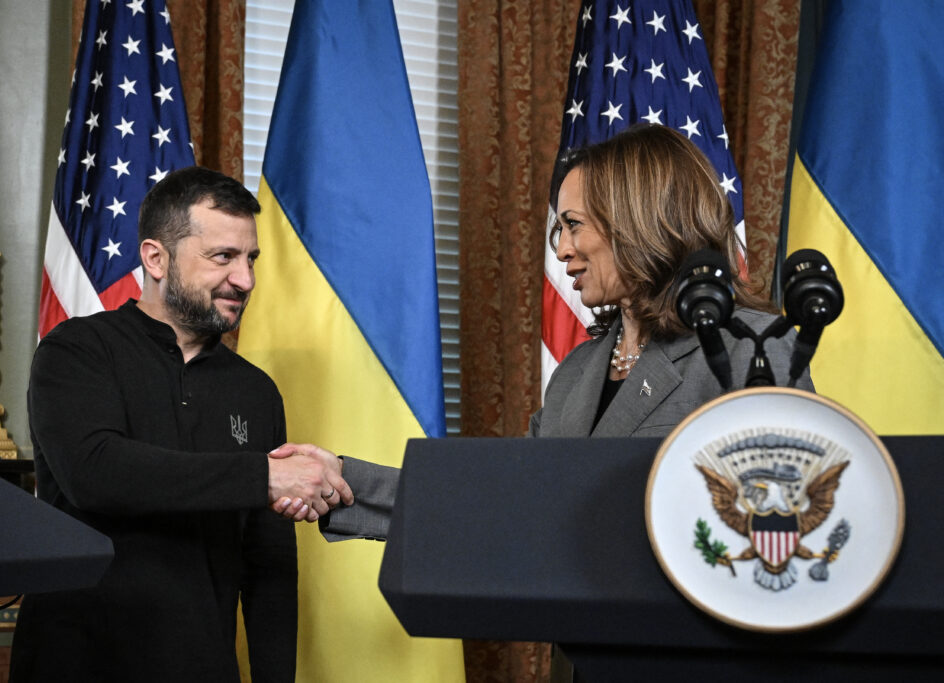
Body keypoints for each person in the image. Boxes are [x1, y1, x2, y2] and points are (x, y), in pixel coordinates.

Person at [277, 123, 814, 538]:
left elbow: (791, 518)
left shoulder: (750, 348)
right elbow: (507, 499)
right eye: (558, 229)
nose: (560, 251)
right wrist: (344, 480)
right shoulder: (578, 373)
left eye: (573, 225)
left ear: (638, 220)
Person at [10, 167, 352, 683]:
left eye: (250, 259)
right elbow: (95, 471)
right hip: (73, 663)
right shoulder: (75, 351)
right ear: (155, 258)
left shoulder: (256, 392)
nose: (246, 280)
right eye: (223, 257)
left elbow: (268, 566)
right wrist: (261, 476)